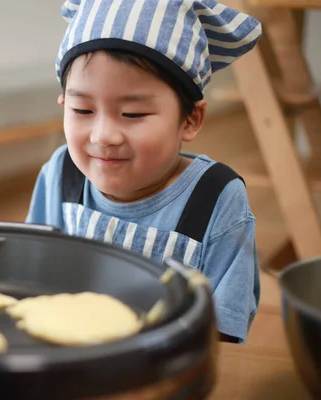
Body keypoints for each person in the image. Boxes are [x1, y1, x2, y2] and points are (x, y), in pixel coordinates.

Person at [26, 0, 262, 344]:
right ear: (64, 104)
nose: (103, 135)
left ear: (190, 119)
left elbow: (220, 333)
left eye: (133, 114)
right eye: (83, 109)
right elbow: (32, 279)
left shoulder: (215, 199)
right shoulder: (61, 175)